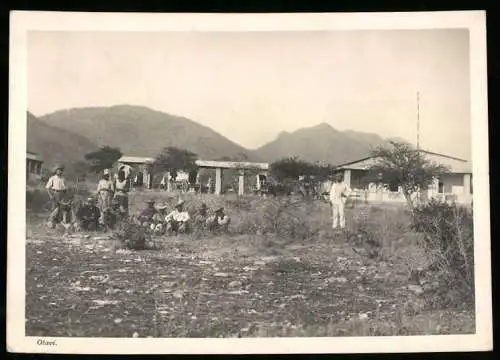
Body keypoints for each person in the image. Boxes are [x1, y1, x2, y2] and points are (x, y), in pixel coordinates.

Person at [45, 164, 67, 228]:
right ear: (56, 171)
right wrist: (50, 195)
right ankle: (51, 222)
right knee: (54, 208)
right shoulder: (52, 178)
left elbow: (65, 188)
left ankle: (59, 223)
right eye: (59, 170)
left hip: (62, 194)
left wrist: (65, 196)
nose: (60, 172)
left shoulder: (63, 179)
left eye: (61, 170)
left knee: (61, 208)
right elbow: (47, 188)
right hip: (55, 193)